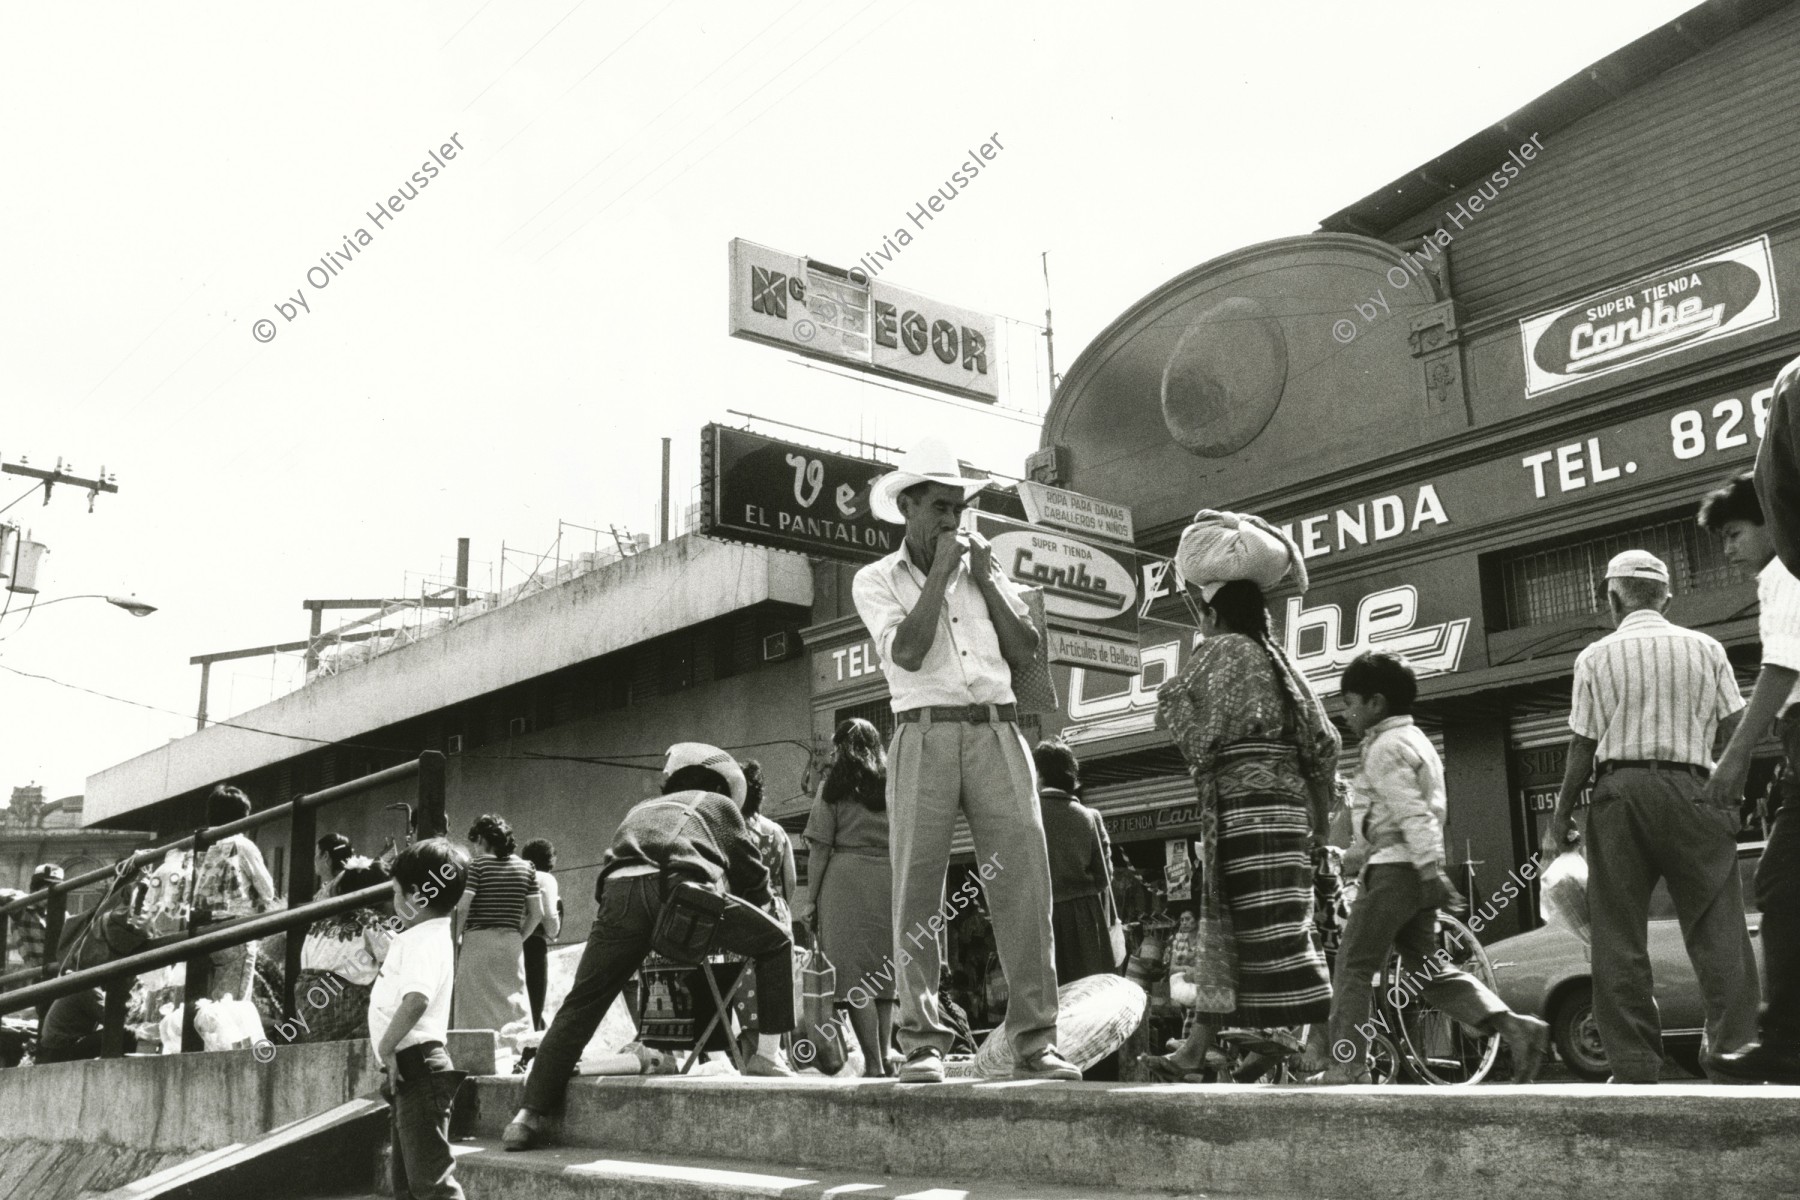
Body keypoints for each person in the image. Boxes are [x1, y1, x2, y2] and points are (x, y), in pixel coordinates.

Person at [851, 437, 1078, 1085]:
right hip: (923, 731)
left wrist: (980, 576)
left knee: (1024, 881)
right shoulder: (876, 579)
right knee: (917, 887)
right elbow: (910, 652)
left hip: (998, 730)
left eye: (960, 508)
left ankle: (1036, 1036)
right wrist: (944, 575)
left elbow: (1026, 647)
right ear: (910, 508)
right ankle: (921, 1042)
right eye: (942, 508)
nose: (954, 520)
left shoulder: (986, 568)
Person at [503, 744, 797, 1152]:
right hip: (683, 892)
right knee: (777, 941)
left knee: (583, 1001)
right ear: (717, 783)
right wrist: (758, 909)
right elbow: (756, 881)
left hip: (618, 893)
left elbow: (608, 877)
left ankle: (526, 1116)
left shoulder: (640, 809)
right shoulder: (719, 804)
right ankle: (766, 1056)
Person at [1542, 549, 1760, 1083]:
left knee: (1618, 937)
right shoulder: (1707, 648)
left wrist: (1558, 820)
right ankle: (1732, 1056)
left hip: (1620, 793)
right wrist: (1730, 796)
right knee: (1719, 932)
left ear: (1612, 597)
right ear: (1667, 596)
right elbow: (1736, 731)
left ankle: (1635, 1063)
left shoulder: (1595, 657)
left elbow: (1581, 745)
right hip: (1696, 789)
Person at [1142, 511, 1340, 1081]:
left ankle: (1322, 1042)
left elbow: (1196, 739)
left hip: (1243, 815)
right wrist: (1319, 822)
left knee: (1242, 929)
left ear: (1210, 609)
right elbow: (1323, 743)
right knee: (1276, 927)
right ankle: (1203, 1049)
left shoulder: (1222, 653)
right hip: (1284, 812)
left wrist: (1171, 694)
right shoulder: (1279, 662)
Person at [1314, 652, 1548, 1083]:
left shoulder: (1386, 748)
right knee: (1427, 970)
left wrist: (1426, 870)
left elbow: (1412, 814)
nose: (1345, 714)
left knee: (1353, 965)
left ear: (1376, 703)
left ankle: (1348, 1063)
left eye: (1350, 703)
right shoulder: (1417, 740)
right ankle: (1512, 1025)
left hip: (1394, 874)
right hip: (1406, 871)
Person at [1696, 473, 1800, 1083]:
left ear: (1768, 521)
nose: (1729, 550)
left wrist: (1734, 759)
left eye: (1735, 534)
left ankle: (1787, 1041)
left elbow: (1784, 665)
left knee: (1782, 883)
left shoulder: (1786, 569)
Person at [372, 838, 471, 1200]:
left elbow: (416, 1000)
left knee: (432, 1185)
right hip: (410, 1069)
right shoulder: (422, 937)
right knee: (409, 1185)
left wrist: (386, 1045)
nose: (393, 901)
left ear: (415, 894)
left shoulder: (423, 941)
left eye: (396, 892)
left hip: (420, 1068)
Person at [801, 718, 898, 1077]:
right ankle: (886, 1056)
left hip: (845, 882)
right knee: (884, 977)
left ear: (840, 747)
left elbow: (820, 848)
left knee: (856, 980)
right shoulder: (893, 783)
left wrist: (810, 900)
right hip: (888, 879)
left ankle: (872, 1063)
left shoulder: (834, 785)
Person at [1034, 740, 1116, 986]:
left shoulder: (1026, 818)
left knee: (1052, 996)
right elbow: (1104, 877)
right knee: (1089, 993)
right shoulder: (1090, 818)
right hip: (1086, 919)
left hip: (1042, 918)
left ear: (1038, 774)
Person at [452, 815, 543, 1035]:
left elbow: (463, 907)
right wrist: (518, 937)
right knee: (513, 1003)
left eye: (475, 842)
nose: (474, 848)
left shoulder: (478, 865)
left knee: (473, 1005)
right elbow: (537, 913)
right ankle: (517, 1052)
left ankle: (476, 1055)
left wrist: (454, 939)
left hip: (478, 942)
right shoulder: (527, 868)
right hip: (512, 943)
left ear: (482, 839)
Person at [290, 858, 397, 1042]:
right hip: (342, 1006)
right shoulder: (372, 921)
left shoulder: (321, 921)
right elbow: (393, 958)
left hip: (306, 1007)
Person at [192, 785, 280, 1003]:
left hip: (202, 931)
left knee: (206, 1006)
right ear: (243, 816)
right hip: (235, 931)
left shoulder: (201, 844)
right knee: (233, 1007)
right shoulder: (243, 845)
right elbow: (268, 891)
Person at [519, 839, 563, 1032]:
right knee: (536, 1002)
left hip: (510, 940)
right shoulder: (545, 878)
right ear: (550, 858)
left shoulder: (517, 874)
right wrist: (555, 930)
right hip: (534, 944)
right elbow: (549, 917)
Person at [314, 834, 354, 899]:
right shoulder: (334, 884)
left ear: (325, 856)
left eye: (316, 854)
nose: (314, 859)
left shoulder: (340, 886)